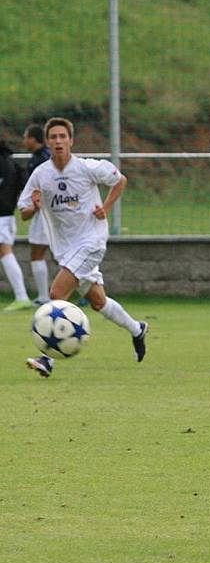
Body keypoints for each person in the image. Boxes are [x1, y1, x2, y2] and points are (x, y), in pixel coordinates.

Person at [18, 117, 148, 378]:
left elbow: (119, 180)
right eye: (53, 137)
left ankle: (47, 358)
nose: (58, 141)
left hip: (92, 241)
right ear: (48, 142)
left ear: (71, 141)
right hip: (65, 250)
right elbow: (24, 213)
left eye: (62, 137)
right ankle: (137, 329)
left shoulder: (88, 168)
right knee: (99, 302)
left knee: (56, 292)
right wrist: (34, 206)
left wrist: (106, 207)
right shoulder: (41, 175)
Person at [0, 140, 34, 311]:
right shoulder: (11, 162)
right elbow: (25, 185)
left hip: (2, 218)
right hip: (7, 217)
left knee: (5, 252)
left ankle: (22, 296)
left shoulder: (3, 163)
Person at [23, 124, 52, 305]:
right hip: (51, 210)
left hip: (44, 211)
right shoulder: (44, 157)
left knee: (37, 253)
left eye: (26, 137)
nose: (24, 141)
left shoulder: (40, 159)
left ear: (33, 139)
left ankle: (44, 297)